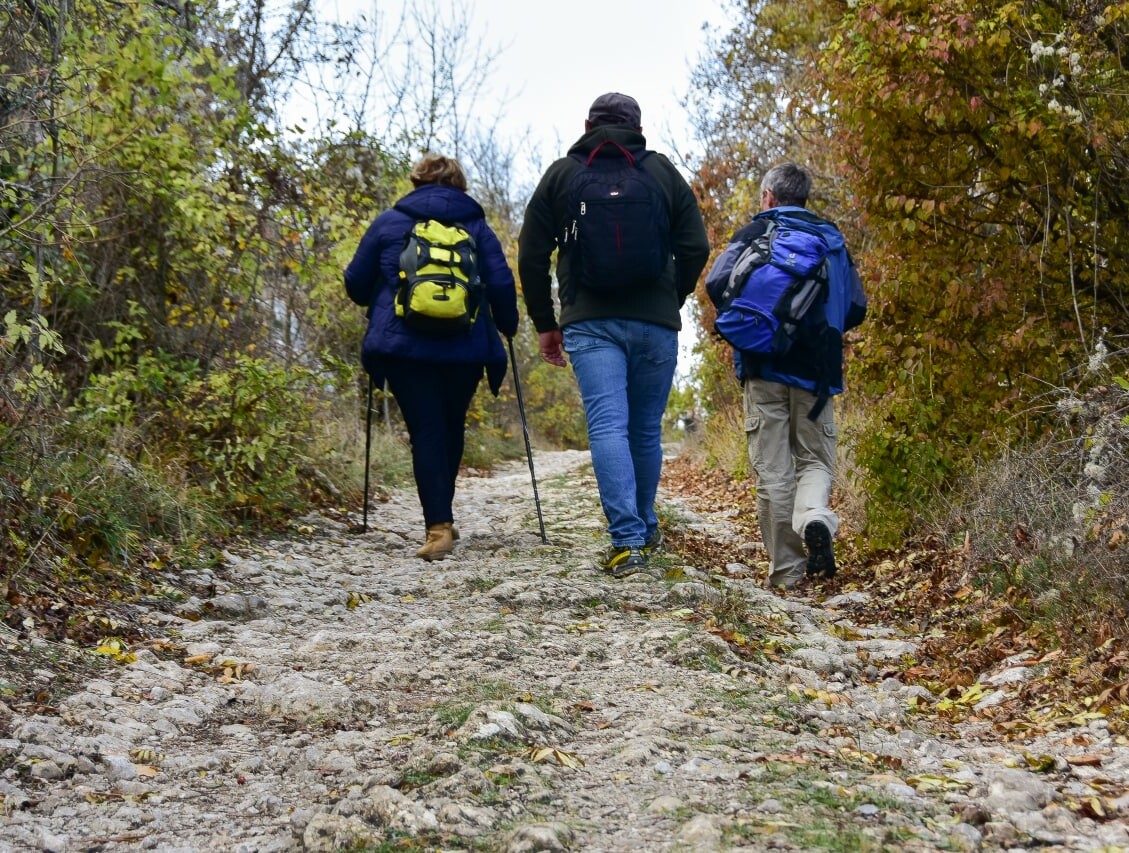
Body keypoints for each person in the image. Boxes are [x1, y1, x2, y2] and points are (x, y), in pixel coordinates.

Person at [518, 92, 710, 577]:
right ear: (638, 126)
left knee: (608, 425)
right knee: (645, 429)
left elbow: (531, 254)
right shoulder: (662, 172)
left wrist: (546, 323)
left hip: (589, 321)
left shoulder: (563, 175)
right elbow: (696, 245)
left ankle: (627, 541)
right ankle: (644, 527)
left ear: (587, 124)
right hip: (655, 320)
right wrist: (674, 294)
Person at [344, 153, 519, 561]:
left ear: (417, 180)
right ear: (460, 184)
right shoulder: (476, 226)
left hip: (405, 348)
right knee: (451, 426)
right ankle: (443, 515)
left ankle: (438, 525)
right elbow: (500, 283)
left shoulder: (390, 222)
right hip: (466, 348)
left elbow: (355, 282)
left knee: (425, 430)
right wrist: (507, 325)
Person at [705, 163, 867, 589]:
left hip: (763, 368)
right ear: (804, 198)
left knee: (774, 473)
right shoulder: (832, 241)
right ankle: (814, 516)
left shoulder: (754, 234)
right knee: (814, 460)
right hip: (817, 375)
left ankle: (787, 575)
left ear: (769, 198)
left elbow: (716, 284)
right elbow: (857, 308)